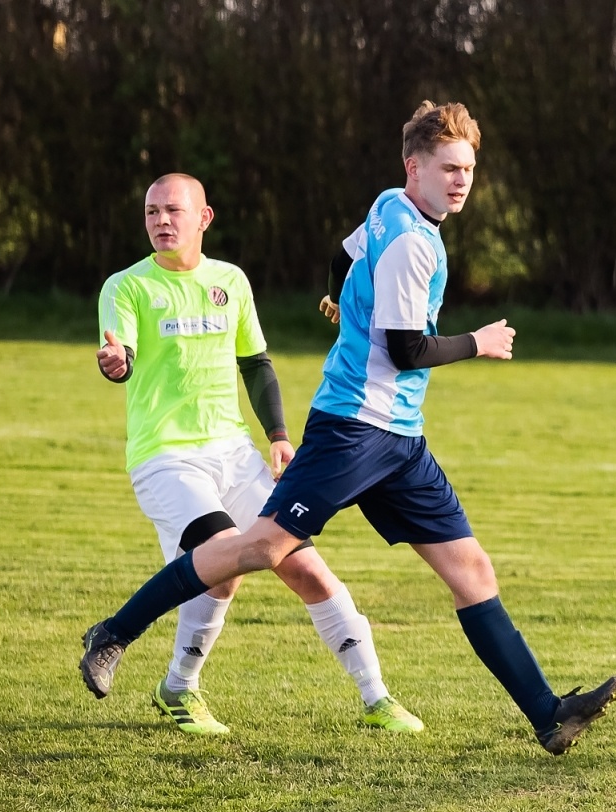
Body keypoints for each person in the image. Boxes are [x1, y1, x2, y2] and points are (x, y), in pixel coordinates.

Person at [80, 103, 616, 754]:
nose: (461, 181)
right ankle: (113, 632)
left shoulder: (391, 204)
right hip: (352, 429)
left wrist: (337, 295)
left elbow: (343, 253)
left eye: (469, 169)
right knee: (260, 549)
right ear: (413, 167)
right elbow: (404, 351)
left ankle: (549, 715)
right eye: (448, 168)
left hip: (401, 440)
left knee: (472, 571)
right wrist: (477, 342)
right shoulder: (411, 245)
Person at [94, 172, 416, 736]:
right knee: (224, 561)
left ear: (204, 217)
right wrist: (115, 361)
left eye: (173, 210)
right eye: (151, 212)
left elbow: (256, 363)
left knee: (307, 569)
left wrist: (277, 435)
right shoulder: (126, 286)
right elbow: (120, 347)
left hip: (234, 451)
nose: (161, 221)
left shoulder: (230, 282)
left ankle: (377, 698)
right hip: (165, 457)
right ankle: (179, 688)